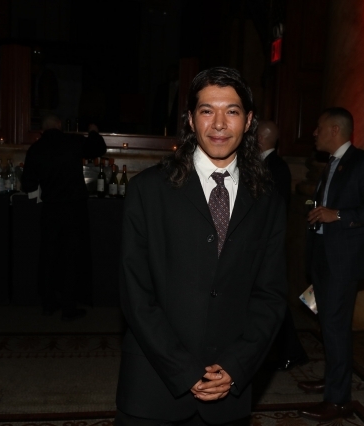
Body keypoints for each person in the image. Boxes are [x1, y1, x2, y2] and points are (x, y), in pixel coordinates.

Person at [115, 67, 288, 425]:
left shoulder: (267, 198)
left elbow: (270, 295)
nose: (219, 124)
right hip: (154, 387)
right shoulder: (148, 190)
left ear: (248, 121)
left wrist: (236, 365)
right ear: (191, 120)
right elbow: (135, 294)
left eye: (232, 111)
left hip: (229, 391)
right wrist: (183, 369)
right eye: (207, 110)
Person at [297, 107, 364, 421]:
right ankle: (332, 380)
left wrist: (337, 214)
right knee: (328, 325)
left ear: (335, 130)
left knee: (336, 328)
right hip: (323, 255)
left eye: (319, 127)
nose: (314, 133)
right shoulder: (331, 164)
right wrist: (314, 209)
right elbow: (326, 202)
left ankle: (338, 400)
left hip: (343, 261)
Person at [21, 115, 107, 321]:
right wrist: (93, 130)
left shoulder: (36, 149)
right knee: (72, 257)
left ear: (41, 130)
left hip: (50, 209)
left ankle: (48, 303)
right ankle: (69, 306)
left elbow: (28, 185)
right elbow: (98, 149)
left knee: (49, 255)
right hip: (74, 209)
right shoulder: (72, 142)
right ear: (59, 125)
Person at [257, 120, 309, 371]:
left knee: (273, 299)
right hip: (260, 242)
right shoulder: (262, 164)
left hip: (266, 243)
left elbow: (273, 208)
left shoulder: (276, 167)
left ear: (260, 138)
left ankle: (291, 351)